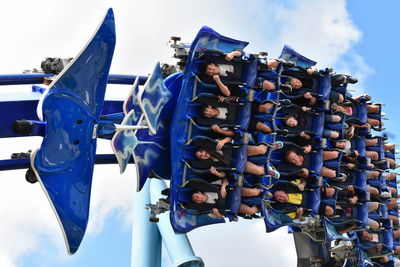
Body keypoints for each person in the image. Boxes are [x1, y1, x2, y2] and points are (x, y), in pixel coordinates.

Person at [188, 178, 261, 218]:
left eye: (197, 197)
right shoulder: (207, 209)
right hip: (232, 205)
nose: (198, 199)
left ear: (200, 192)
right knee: (250, 211)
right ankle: (259, 207)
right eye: (196, 200)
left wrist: (223, 187)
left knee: (253, 192)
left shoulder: (209, 186)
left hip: (234, 192)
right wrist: (216, 213)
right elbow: (221, 216)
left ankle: (262, 191)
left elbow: (225, 179)